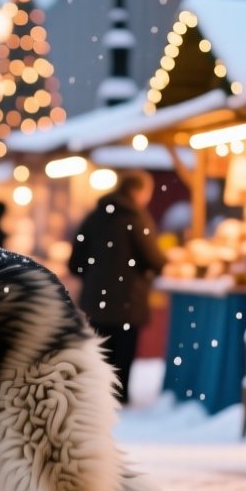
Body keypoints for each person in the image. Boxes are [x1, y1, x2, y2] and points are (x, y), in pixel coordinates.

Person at [69, 169, 166, 405]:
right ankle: (118, 398)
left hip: (96, 300)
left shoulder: (94, 217)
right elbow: (154, 259)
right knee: (123, 353)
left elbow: (75, 262)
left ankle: (98, 396)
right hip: (128, 300)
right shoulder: (136, 219)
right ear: (137, 191)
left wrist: (94, 278)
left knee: (100, 351)